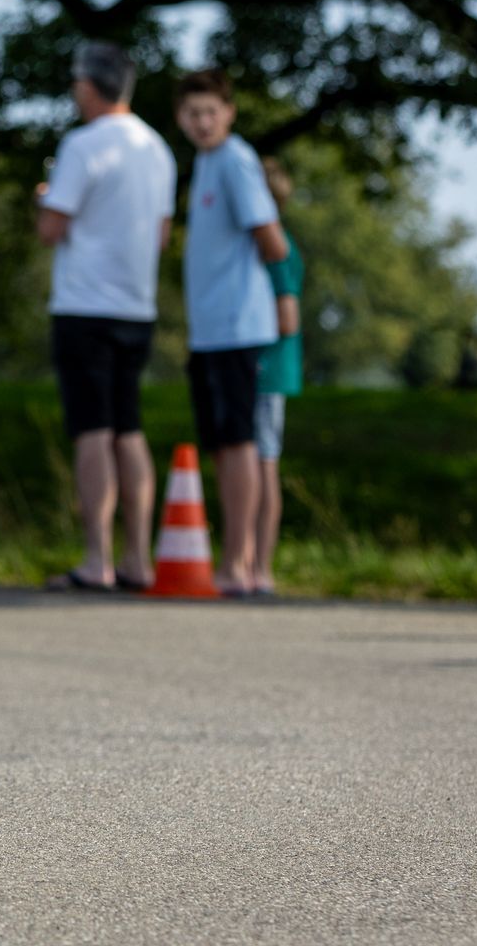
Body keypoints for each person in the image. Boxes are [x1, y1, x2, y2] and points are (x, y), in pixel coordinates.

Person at [36, 41, 176, 592]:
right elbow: (161, 235)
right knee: (129, 428)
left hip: (84, 304)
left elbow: (52, 228)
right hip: (136, 305)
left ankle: (98, 559)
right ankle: (139, 559)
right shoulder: (158, 148)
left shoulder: (82, 144)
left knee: (92, 431)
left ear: (89, 87)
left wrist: (45, 198)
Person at [173, 69, 288, 599]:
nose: (201, 122)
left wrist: (259, 292)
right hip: (208, 332)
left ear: (229, 112)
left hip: (239, 326)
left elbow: (272, 239)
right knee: (220, 443)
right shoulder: (203, 163)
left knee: (241, 442)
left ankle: (239, 561)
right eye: (192, 113)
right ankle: (231, 556)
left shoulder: (237, 161)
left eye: (209, 112)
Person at [254, 156, 305, 597]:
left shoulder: (276, 249)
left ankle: (260, 566)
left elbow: (287, 317)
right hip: (260, 369)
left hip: (266, 370)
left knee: (264, 463)